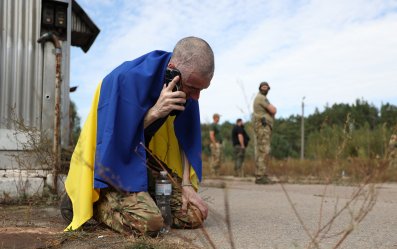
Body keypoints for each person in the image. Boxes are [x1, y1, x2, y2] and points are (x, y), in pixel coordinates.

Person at [61, 36, 215, 236]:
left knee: (194, 214)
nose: (196, 97)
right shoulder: (126, 78)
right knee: (149, 223)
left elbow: (186, 137)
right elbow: (112, 139)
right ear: (173, 69)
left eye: (202, 89)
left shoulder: (185, 85)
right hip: (110, 160)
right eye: (193, 88)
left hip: (141, 155)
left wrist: (186, 184)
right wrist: (155, 113)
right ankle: (90, 203)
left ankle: (141, 199)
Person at [252, 81, 277, 184]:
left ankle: (261, 175)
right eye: (263, 86)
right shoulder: (261, 98)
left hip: (262, 128)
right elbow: (273, 110)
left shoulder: (260, 97)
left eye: (266, 86)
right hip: (263, 128)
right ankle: (261, 176)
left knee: (261, 150)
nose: (265, 88)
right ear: (260, 88)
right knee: (264, 150)